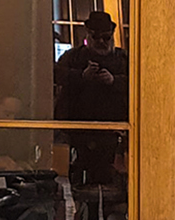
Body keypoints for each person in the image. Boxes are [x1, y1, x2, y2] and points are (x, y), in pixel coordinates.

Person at [54, 11, 129, 187]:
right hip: (77, 133)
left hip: (114, 134)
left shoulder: (123, 59)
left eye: (106, 38)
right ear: (88, 35)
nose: (101, 42)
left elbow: (140, 83)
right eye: (96, 37)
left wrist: (114, 80)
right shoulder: (73, 57)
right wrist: (81, 76)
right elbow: (55, 74)